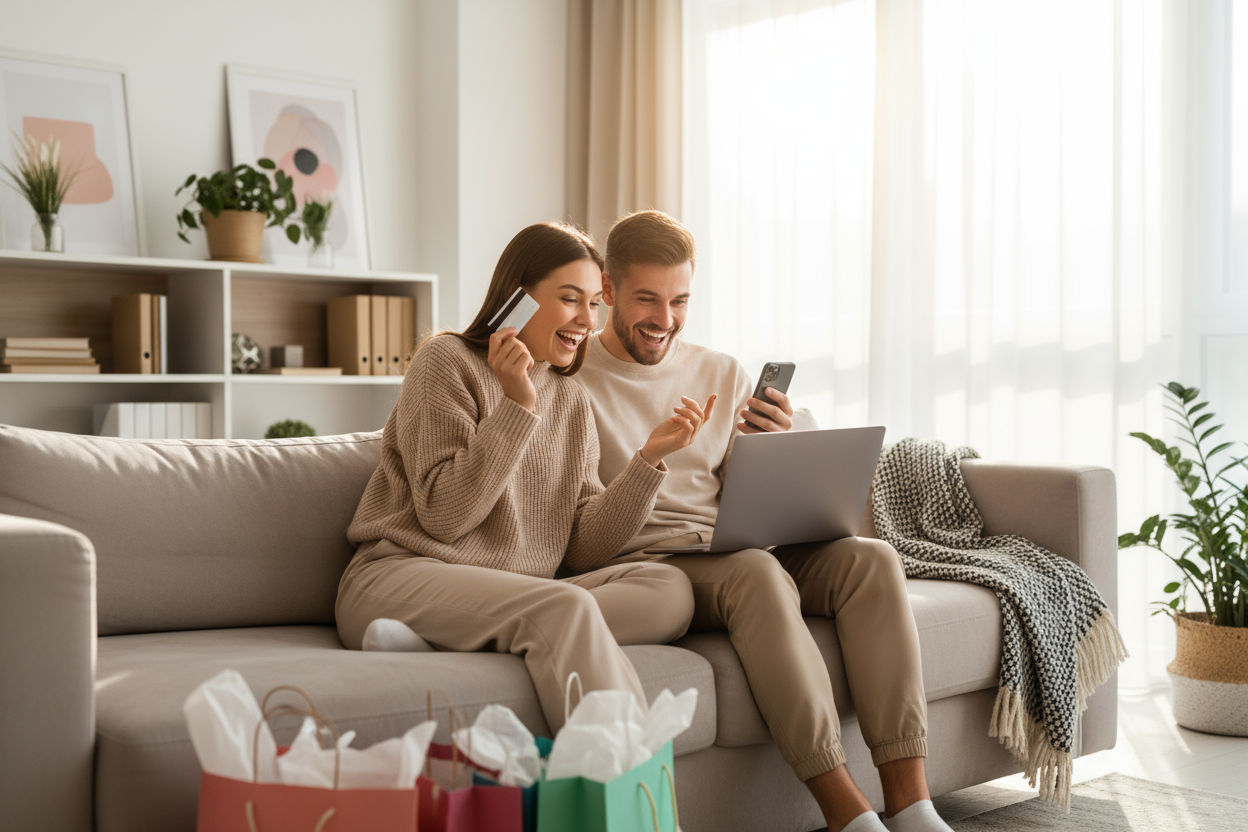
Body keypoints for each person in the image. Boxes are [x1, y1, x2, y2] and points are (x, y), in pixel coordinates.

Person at [574, 211, 953, 832]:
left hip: (734, 543)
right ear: (608, 291)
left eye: (679, 300)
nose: (664, 320)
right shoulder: (572, 380)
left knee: (871, 559)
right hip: (653, 562)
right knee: (755, 573)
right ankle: (847, 813)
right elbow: (584, 537)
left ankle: (913, 805)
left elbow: (743, 495)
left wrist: (772, 452)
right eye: (646, 298)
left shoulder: (720, 370)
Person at [337, 221, 714, 731]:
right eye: (569, 299)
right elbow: (445, 517)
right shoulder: (447, 361)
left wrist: (647, 461)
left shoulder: (572, 398)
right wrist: (516, 406)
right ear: (519, 300)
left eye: (593, 304)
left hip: (514, 592)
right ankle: (632, 801)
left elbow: (581, 549)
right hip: (399, 575)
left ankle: (470, 638)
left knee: (670, 590)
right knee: (563, 607)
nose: (586, 319)